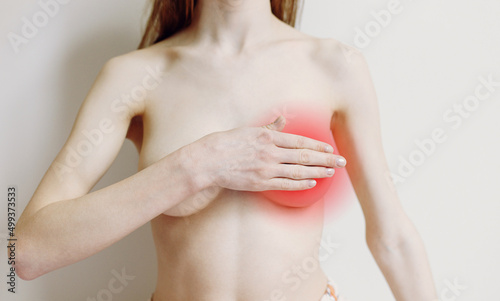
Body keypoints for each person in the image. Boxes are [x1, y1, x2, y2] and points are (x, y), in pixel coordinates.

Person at [15, 0, 438, 300]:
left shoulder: (335, 65)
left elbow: (392, 234)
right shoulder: (133, 76)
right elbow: (29, 251)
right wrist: (198, 165)